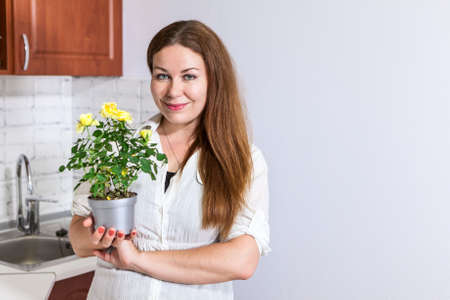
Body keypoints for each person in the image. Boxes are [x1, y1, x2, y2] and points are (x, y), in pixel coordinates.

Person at [69, 20, 271, 300]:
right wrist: (94, 237)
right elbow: (78, 240)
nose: (174, 91)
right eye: (162, 76)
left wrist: (137, 259)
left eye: (189, 76)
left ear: (213, 79)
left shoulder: (244, 160)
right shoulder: (118, 147)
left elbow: (242, 260)